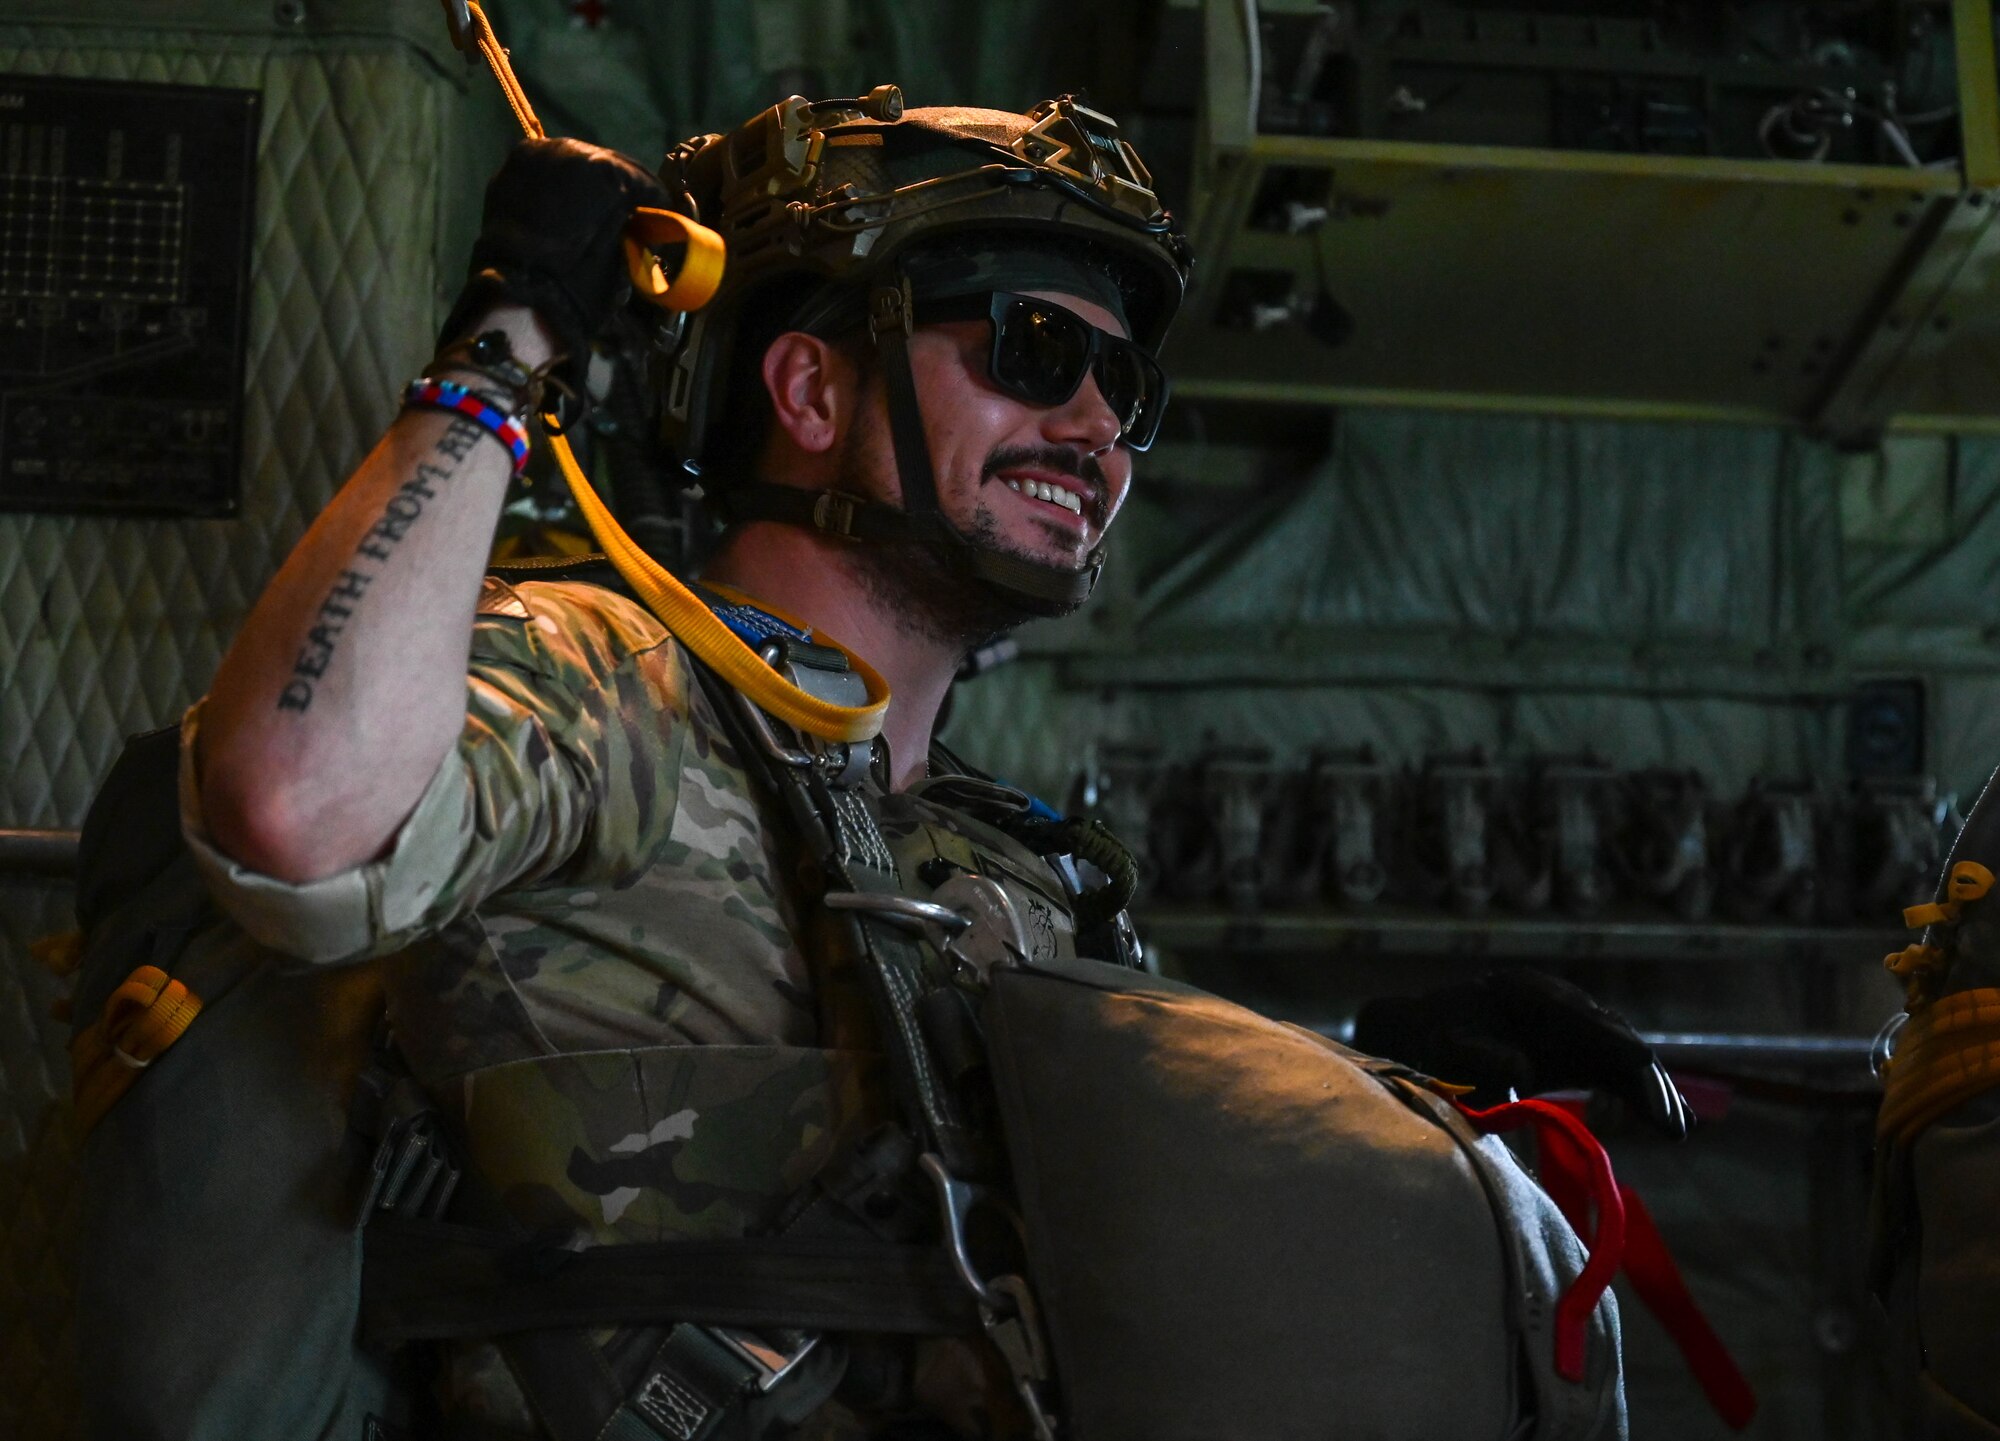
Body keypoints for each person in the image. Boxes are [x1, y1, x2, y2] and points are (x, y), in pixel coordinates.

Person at [179, 92, 1189, 1439]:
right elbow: (293, 801)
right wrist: (507, 345)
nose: (1097, 428)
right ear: (811, 390)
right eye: (1038, 350)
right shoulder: (606, 683)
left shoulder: (1025, 871)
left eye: (1128, 389)